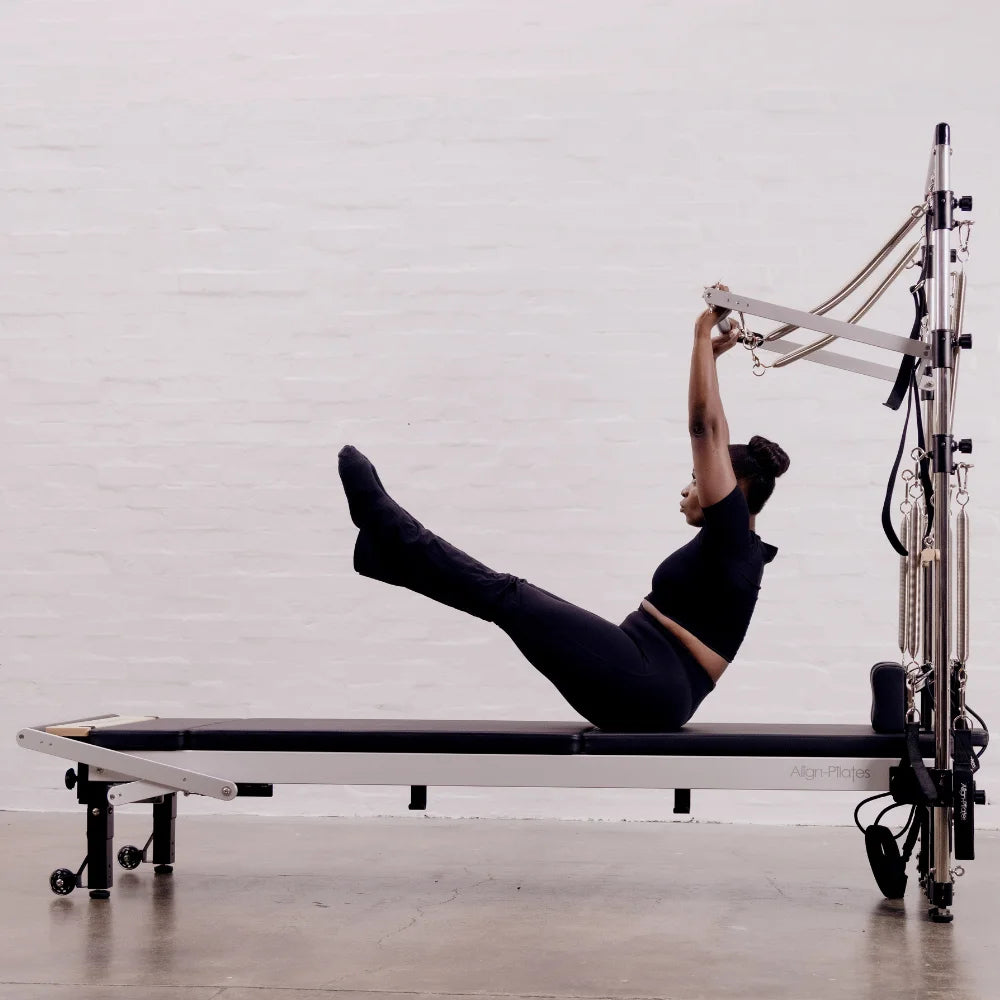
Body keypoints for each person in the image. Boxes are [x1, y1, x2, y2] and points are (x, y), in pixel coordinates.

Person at [338, 294, 789, 732]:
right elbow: (717, 430)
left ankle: (393, 535)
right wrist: (710, 358)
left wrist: (700, 333)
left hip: (651, 684)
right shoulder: (733, 543)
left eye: (696, 477)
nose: (688, 487)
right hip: (646, 673)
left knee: (509, 596)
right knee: (508, 596)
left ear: (732, 488)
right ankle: (387, 553)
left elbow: (705, 428)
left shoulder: (732, 537)